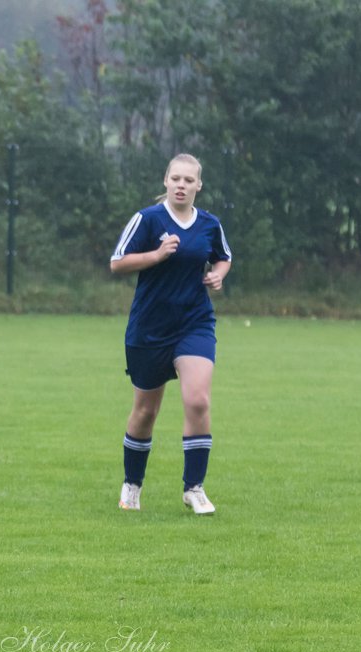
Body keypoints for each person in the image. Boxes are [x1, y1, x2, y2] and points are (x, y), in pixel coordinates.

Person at [110, 152, 232, 515]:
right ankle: (132, 484)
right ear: (166, 181)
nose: (181, 185)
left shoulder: (209, 224)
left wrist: (219, 275)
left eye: (188, 180)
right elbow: (117, 262)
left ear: (198, 186)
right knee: (146, 410)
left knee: (197, 400)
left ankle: (194, 488)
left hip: (194, 323)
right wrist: (157, 255)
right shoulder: (147, 220)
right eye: (175, 179)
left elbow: (223, 256)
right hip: (149, 328)